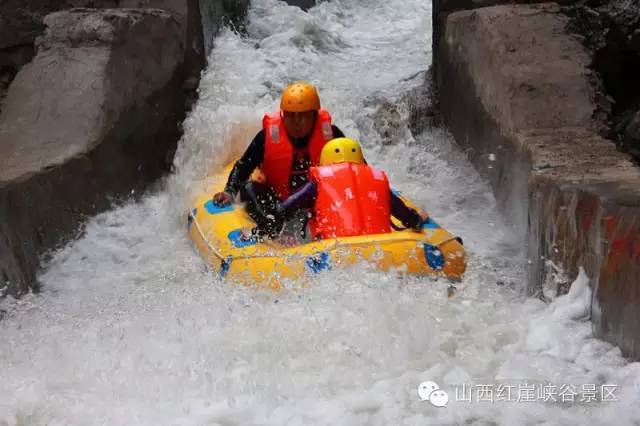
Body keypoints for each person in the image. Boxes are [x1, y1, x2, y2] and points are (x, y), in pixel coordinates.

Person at [212, 82, 345, 239]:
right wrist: (229, 191)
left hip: (317, 204)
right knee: (249, 189)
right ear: (283, 115)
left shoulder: (331, 135)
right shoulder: (267, 136)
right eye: (290, 114)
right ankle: (273, 229)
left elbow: (355, 169)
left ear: (314, 115)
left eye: (302, 115)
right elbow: (244, 167)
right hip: (276, 202)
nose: (296, 121)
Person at [276, 137, 427, 240]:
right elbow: (402, 213)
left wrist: (272, 219)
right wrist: (417, 219)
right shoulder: (376, 179)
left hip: (335, 249)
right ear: (361, 161)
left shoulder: (319, 182)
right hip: (379, 245)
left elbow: (286, 207)